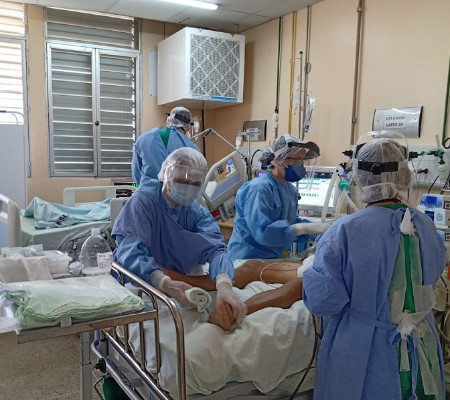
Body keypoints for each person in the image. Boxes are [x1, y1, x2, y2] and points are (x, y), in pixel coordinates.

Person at [302, 136, 446, 400]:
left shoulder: (345, 231)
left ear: (359, 177)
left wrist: (311, 270)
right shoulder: (426, 226)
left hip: (367, 356)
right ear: (404, 175)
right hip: (420, 348)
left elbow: (324, 302)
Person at [112, 147, 247, 331]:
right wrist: (164, 283)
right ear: (166, 176)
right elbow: (130, 253)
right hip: (142, 282)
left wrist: (224, 284)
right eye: (182, 181)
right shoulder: (143, 203)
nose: (188, 187)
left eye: (195, 184)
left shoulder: (196, 212)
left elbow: (217, 249)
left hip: (184, 284)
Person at [227, 134, 329, 260]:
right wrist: (299, 229)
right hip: (245, 260)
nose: (300, 165)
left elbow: (290, 223)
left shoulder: (290, 190)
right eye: (296, 160)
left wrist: (312, 229)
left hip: (271, 260)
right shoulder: (259, 188)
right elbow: (262, 232)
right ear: (278, 160)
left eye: (302, 160)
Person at [132, 106, 200, 190]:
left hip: (148, 194)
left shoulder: (144, 138)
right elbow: (195, 181)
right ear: (188, 127)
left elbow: (136, 174)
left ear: (169, 120)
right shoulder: (192, 148)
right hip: (177, 196)